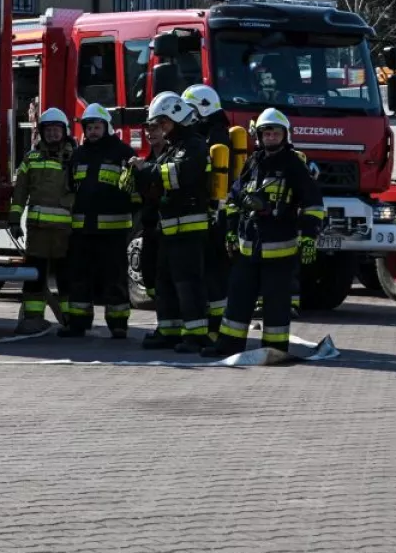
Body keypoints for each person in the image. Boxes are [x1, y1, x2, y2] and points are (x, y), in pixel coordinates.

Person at [209, 108, 324, 359]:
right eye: (266, 132)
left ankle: (274, 349)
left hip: (280, 250)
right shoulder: (252, 162)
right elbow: (234, 199)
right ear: (258, 136)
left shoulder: (294, 165)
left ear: (285, 135)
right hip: (247, 248)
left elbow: (313, 205)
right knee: (238, 300)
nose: (271, 136)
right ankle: (228, 346)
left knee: (276, 305)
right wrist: (230, 232)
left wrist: (308, 237)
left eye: (275, 132)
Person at [128, 92, 209, 351]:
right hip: (170, 226)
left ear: (175, 118)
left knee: (187, 283)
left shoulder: (193, 145)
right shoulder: (176, 146)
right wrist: (139, 173)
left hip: (188, 226)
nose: (160, 128)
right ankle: (169, 330)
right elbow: (157, 174)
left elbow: (176, 175)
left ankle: (195, 335)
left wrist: (145, 171)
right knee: (164, 281)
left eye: (163, 123)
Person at [62, 103, 138, 338]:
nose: (93, 131)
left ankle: (118, 324)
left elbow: (134, 192)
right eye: (89, 127)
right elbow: (69, 188)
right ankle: (78, 323)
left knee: (115, 278)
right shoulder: (78, 155)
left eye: (97, 127)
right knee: (79, 278)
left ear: (107, 127)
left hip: (113, 231)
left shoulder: (123, 153)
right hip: (83, 230)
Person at [9, 107, 75, 335]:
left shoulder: (75, 158)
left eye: (57, 130)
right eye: (49, 130)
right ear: (42, 132)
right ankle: (33, 319)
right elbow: (20, 192)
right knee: (34, 276)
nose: (53, 134)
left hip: (66, 231)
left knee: (67, 277)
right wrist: (14, 220)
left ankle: (69, 320)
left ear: (65, 132)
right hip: (37, 231)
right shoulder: (32, 158)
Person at [180, 82, 232, 347]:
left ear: (202, 109)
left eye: (189, 111)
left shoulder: (212, 138)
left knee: (212, 273)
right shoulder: (216, 133)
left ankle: (214, 329)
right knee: (213, 272)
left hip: (213, 214)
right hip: (215, 213)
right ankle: (214, 328)